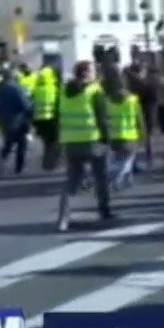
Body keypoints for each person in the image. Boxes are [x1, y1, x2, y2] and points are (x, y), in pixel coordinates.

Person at [55, 60, 113, 231]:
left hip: (70, 141)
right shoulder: (95, 91)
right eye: (93, 71)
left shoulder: (64, 91)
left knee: (72, 181)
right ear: (87, 73)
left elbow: (60, 115)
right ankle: (104, 210)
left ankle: (63, 218)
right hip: (92, 139)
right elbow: (102, 118)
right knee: (100, 176)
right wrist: (107, 139)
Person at [101, 65, 145, 191]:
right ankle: (116, 176)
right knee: (128, 159)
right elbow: (139, 119)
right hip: (130, 135)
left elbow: (105, 118)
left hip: (114, 135)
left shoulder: (108, 100)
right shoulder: (132, 100)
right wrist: (143, 133)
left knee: (116, 158)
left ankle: (126, 180)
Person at [0, 68, 32, 175]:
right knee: (21, 145)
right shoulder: (17, 88)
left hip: (4, 120)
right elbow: (25, 105)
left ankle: (1, 163)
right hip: (18, 120)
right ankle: (19, 168)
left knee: (8, 143)